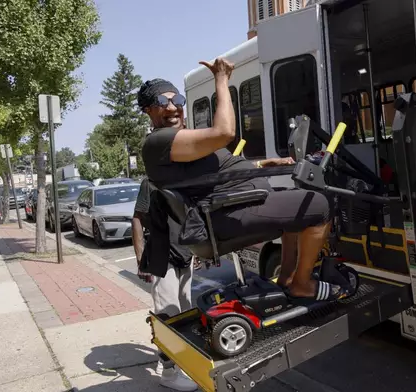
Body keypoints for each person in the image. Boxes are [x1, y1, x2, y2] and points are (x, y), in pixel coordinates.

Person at [137, 58, 347, 302]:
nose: (173, 107)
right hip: (227, 212)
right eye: (163, 101)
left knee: (296, 206)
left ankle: (289, 277)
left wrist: (264, 164)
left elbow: (210, 172)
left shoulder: (176, 141)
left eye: (178, 100)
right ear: (148, 110)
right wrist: (222, 79)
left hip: (232, 206)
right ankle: (302, 283)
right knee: (320, 205)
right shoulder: (157, 141)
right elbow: (225, 133)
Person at [132, 178, 198, 391]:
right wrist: (141, 258)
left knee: (186, 312)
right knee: (169, 315)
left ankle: (181, 362)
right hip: (162, 258)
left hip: (187, 254)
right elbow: (137, 218)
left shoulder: (188, 176)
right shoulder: (151, 182)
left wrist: (204, 251)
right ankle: (169, 373)